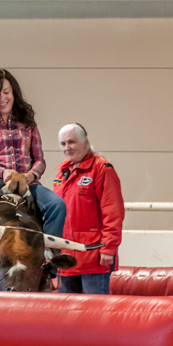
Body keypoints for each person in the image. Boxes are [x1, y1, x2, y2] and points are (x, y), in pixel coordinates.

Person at [0, 68, 66, 267]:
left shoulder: (28, 122)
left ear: (14, 93)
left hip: (27, 181)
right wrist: (2, 172)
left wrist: (32, 174)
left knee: (57, 205)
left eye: (6, 92)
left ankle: (50, 261)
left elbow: (39, 159)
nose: (2, 98)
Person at [53, 123, 124, 294]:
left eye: (72, 142)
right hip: (66, 256)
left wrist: (108, 248)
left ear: (85, 142)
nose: (67, 148)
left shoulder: (102, 169)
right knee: (66, 314)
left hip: (94, 258)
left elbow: (113, 212)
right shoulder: (62, 172)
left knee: (95, 314)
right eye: (63, 144)